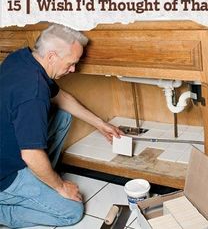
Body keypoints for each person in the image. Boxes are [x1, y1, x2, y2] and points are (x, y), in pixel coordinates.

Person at [0, 24, 123, 228]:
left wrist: (101, 125)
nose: (73, 69)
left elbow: (61, 97)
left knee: (63, 116)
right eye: (71, 63)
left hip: (7, 148)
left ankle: (43, 177)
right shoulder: (33, 93)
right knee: (71, 211)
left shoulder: (23, 59)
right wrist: (61, 187)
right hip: (6, 175)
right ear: (52, 56)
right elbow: (31, 154)